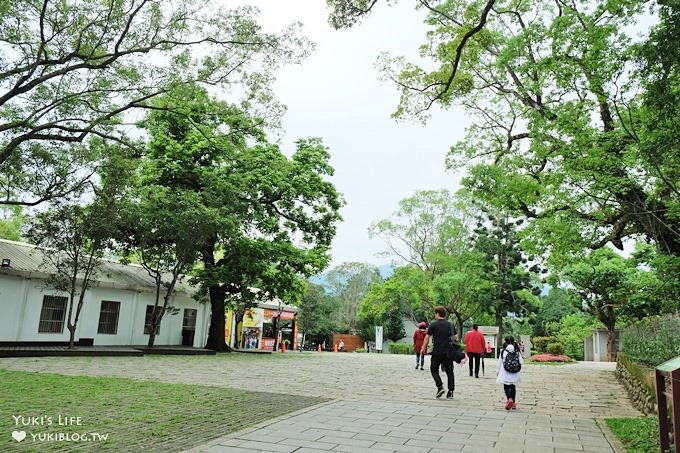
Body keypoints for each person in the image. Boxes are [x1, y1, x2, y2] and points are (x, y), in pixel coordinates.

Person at [420, 306, 456, 399]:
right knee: (450, 372)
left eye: (435, 313)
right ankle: (451, 392)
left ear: (437, 313)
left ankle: (440, 386)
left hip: (437, 351)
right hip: (448, 351)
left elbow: (427, 337)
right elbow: (455, 338)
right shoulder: (450, 325)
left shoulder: (433, 324)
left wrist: (423, 348)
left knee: (434, 370)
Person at [496, 335, 523, 410]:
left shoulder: (504, 351)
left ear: (506, 342)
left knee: (506, 386)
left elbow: (500, 362)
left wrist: (497, 371)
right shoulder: (516, 351)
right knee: (513, 386)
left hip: (505, 372)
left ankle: (509, 399)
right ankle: (513, 403)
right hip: (514, 372)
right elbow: (521, 361)